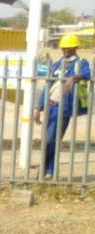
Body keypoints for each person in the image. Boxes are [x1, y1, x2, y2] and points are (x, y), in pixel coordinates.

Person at [33, 33, 91, 179]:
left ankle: (48, 170)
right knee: (47, 140)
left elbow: (87, 74)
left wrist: (73, 77)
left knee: (51, 139)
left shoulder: (81, 63)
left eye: (69, 48)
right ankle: (47, 170)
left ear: (76, 47)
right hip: (50, 105)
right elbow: (48, 85)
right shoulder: (58, 63)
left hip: (63, 107)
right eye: (64, 48)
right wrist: (39, 108)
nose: (66, 51)